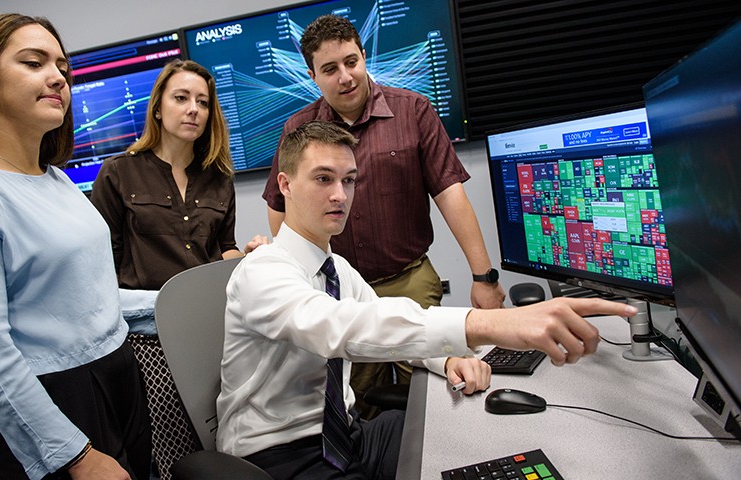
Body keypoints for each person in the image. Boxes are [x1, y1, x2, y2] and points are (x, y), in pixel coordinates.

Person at [218, 120, 638, 479]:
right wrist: (491, 324)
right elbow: (342, 329)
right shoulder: (262, 271)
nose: (341, 195)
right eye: (324, 179)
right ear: (285, 185)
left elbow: (386, 319)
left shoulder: (336, 269)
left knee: (461, 442)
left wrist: (448, 358)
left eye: (349, 180)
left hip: (347, 434)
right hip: (280, 454)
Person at [0, 14, 150, 480]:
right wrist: (76, 456)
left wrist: (194, 300)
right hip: (53, 402)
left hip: (118, 377)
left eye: (62, 67)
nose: (58, 78)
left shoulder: (57, 180)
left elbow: (88, 299)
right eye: (33, 62)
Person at [261, 14, 506, 417]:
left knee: (435, 396)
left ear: (363, 56)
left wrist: (484, 277)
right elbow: (280, 206)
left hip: (409, 281)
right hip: (340, 295)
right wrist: (301, 280)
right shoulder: (300, 129)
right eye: (330, 69)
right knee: (354, 405)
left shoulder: (413, 110)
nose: (345, 77)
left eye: (352, 62)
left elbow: (450, 195)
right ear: (312, 76)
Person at [90, 59, 267, 476]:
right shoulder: (118, 173)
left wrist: (248, 257)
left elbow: (221, 250)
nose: (193, 109)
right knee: (172, 450)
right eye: (181, 98)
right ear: (158, 107)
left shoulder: (218, 178)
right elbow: (101, 266)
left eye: (203, 102)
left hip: (208, 331)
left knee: (221, 437)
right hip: (147, 341)